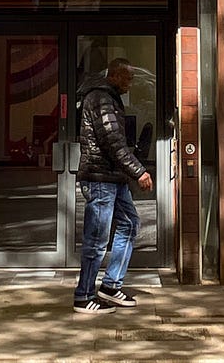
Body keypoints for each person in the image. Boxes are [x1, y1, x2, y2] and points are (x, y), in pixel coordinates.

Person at [72, 57, 153, 314]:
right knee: (96, 239)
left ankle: (110, 285)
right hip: (100, 178)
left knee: (129, 224)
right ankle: (84, 296)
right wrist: (138, 171)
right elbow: (112, 141)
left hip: (113, 177)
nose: (130, 83)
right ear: (116, 75)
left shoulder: (108, 97)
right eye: (128, 78)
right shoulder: (101, 98)